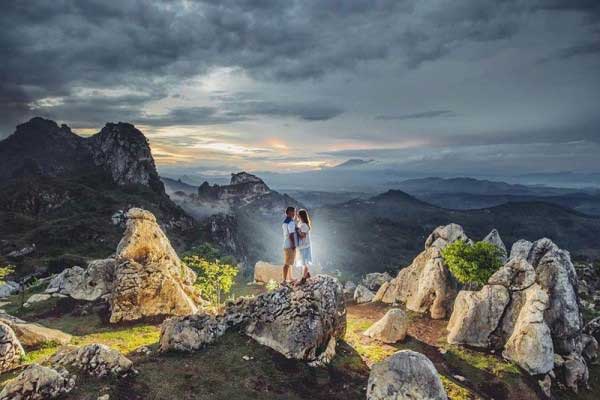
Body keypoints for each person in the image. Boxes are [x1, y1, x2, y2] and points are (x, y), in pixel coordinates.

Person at [295, 209, 312, 285]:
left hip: (304, 246)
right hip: (302, 246)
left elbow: (303, 236)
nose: (297, 215)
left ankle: (303, 279)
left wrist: (297, 230)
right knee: (303, 262)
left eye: (298, 214)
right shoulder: (300, 223)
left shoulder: (304, 225)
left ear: (301, 216)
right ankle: (307, 274)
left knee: (304, 262)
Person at [281, 206, 297, 284]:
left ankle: (290, 278)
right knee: (287, 263)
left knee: (290, 262)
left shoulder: (285, 222)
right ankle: (284, 280)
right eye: (294, 212)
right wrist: (293, 245)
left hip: (285, 243)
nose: (295, 213)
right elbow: (291, 235)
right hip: (289, 245)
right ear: (290, 212)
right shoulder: (291, 222)